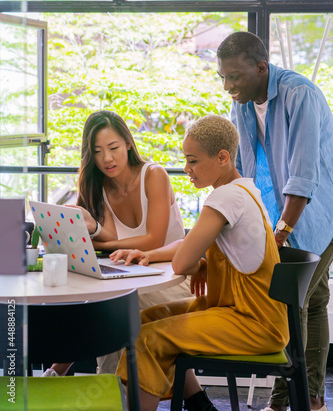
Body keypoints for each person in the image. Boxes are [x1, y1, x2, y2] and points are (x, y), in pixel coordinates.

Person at [111, 114, 289, 411]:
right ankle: (197, 403)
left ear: (222, 158)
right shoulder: (244, 190)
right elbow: (191, 243)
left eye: (192, 161)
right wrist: (151, 255)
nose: (186, 169)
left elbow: (182, 263)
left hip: (253, 323)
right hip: (245, 313)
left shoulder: (225, 198)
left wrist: (196, 264)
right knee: (143, 321)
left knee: (149, 339)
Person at [216, 31, 333, 411]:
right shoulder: (244, 104)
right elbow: (247, 169)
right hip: (279, 214)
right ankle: (311, 398)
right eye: (223, 77)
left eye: (235, 76)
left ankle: (284, 401)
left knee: (288, 302)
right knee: (312, 301)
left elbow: (303, 173)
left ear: (261, 67)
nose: (228, 86)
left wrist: (282, 231)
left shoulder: (301, 95)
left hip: (319, 213)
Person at [42, 110, 192, 378]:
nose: (107, 158)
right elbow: (101, 239)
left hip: (172, 278)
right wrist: (92, 232)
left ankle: (83, 379)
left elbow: (153, 240)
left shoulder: (154, 175)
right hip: (132, 278)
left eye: (113, 148)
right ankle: (115, 390)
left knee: (116, 308)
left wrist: (101, 237)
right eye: (98, 151)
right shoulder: (99, 187)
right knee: (104, 302)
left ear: (128, 143)